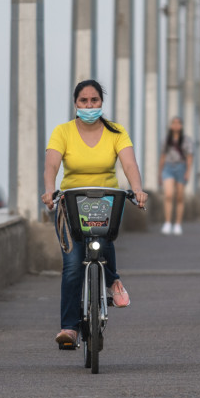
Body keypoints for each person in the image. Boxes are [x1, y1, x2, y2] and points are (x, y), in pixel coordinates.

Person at [41, 79, 148, 347]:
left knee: (103, 240)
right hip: (71, 203)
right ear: (75, 104)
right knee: (72, 265)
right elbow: (51, 165)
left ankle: (112, 280)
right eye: (84, 101)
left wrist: (138, 189)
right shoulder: (62, 132)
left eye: (94, 100)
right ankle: (69, 328)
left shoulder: (116, 132)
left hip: (106, 202)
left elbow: (129, 164)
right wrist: (49, 190)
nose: (89, 105)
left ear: (101, 102)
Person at [158, 116, 194, 235]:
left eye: (178, 123)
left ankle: (178, 224)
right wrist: (159, 173)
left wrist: (188, 172)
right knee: (168, 195)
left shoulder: (186, 140)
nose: (176, 125)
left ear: (181, 125)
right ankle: (167, 222)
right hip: (168, 167)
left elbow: (189, 157)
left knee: (179, 196)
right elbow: (162, 156)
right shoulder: (166, 139)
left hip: (181, 167)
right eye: (174, 123)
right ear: (171, 125)